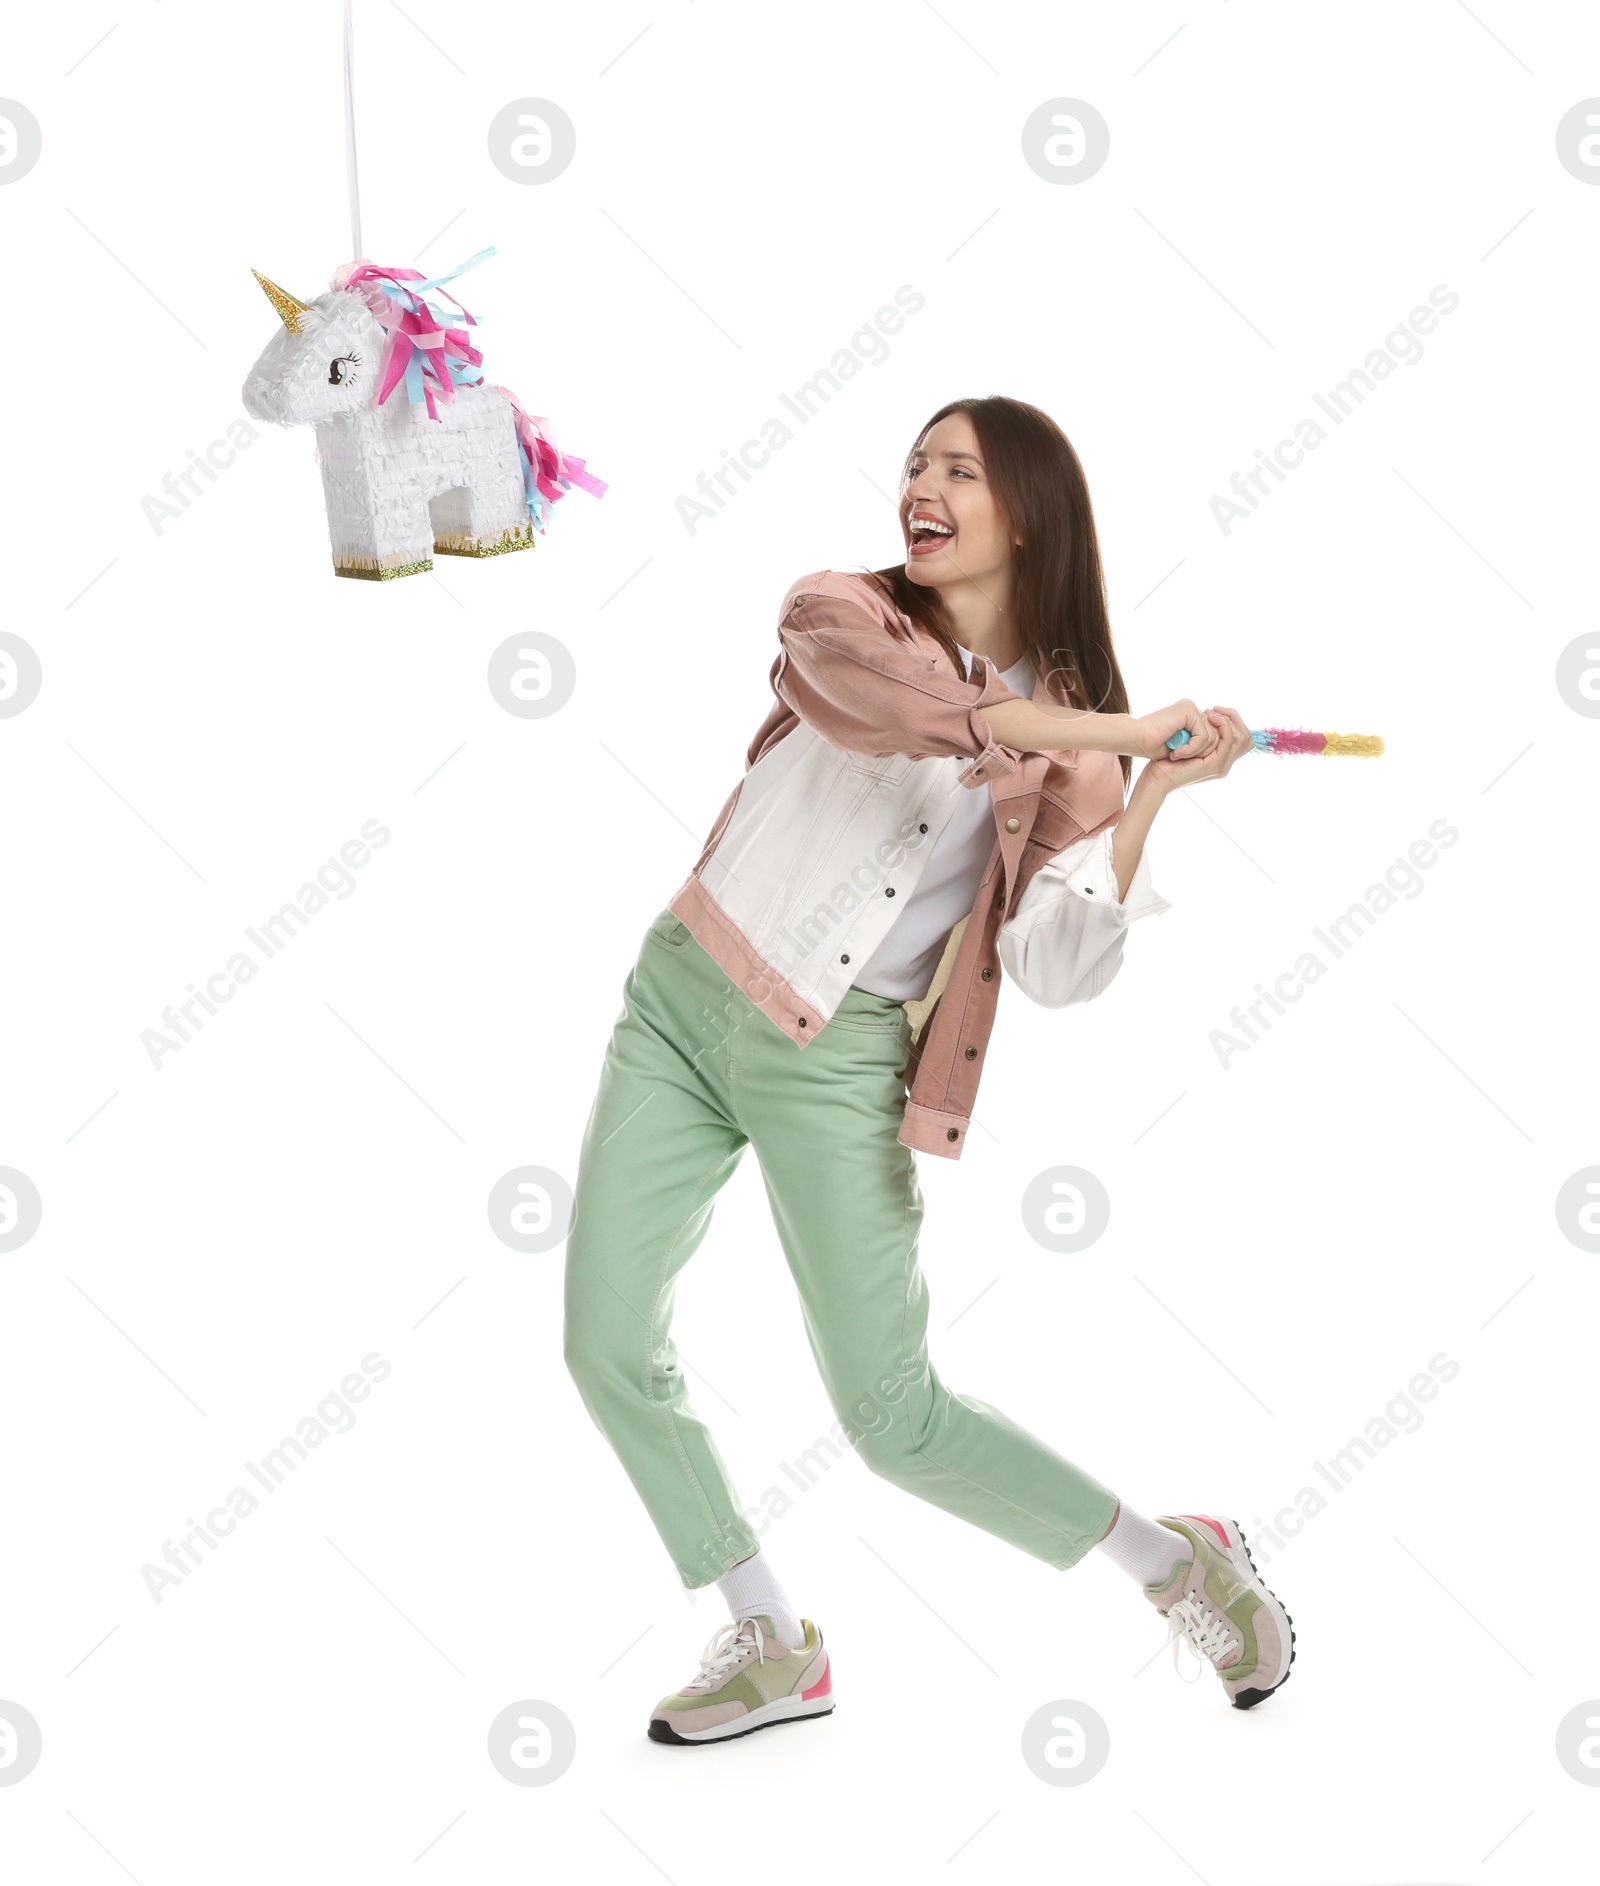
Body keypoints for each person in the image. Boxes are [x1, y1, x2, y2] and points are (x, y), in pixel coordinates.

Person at [563, 395, 1294, 1745]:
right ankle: (768, 1635)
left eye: (960, 467)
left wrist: (1153, 801)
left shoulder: (1079, 752)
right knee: (606, 1342)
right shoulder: (849, 614)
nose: (922, 483)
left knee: (894, 1418)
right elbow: (902, 706)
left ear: (1030, 509)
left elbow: (1063, 965)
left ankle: (1176, 1562)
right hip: (681, 996)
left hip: (836, 1062)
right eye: (915, 463)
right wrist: (1126, 739)